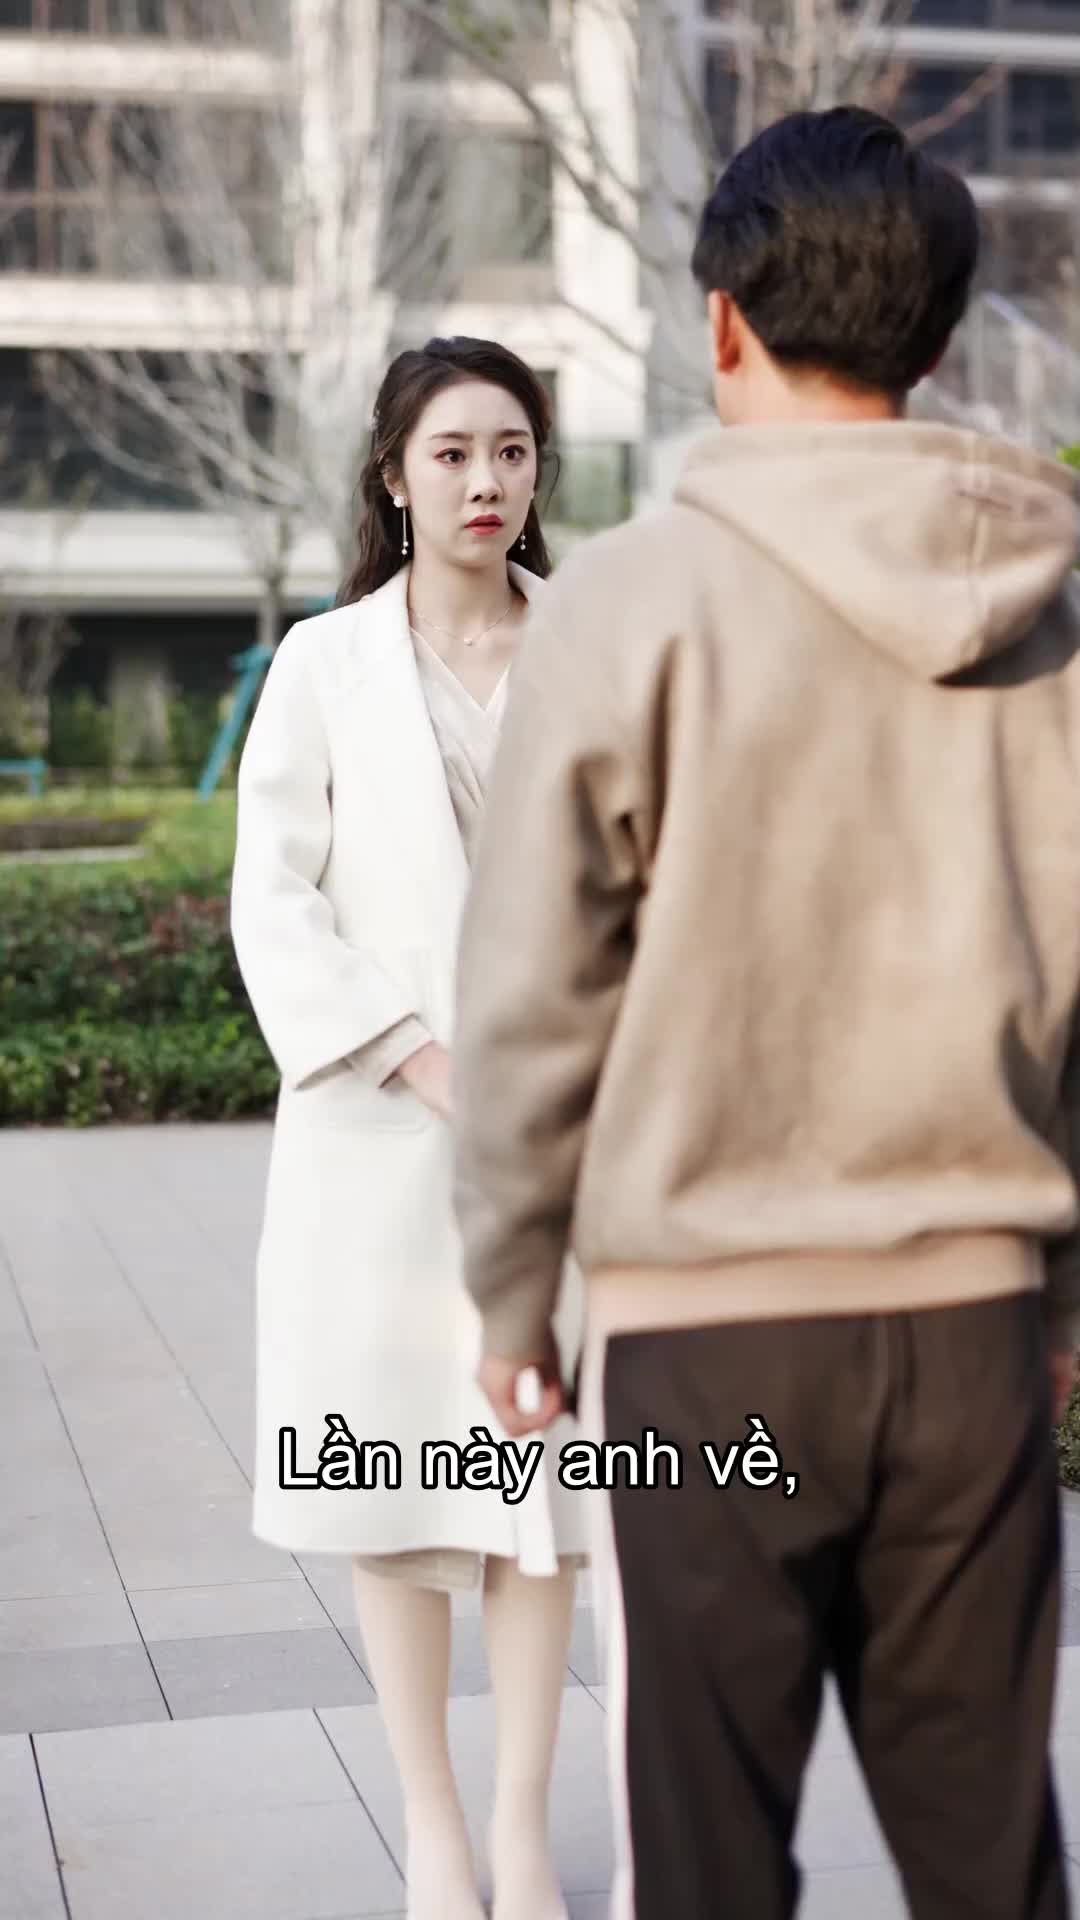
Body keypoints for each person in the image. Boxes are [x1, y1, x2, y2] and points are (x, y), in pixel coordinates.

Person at [450, 109, 1080, 1920]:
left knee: (710, 1859)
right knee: (993, 1861)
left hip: (706, 1336)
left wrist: (513, 1295)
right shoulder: (1052, 619)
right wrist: (1056, 1302)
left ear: (721, 320)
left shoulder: (629, 601)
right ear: (934, 337)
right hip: (972, 1326)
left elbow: (532, 993)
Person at [230, 335, 588, 1920]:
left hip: (564, 1145)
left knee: (540, 1499)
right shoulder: (324, 665)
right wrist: (421, 1059)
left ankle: (523, 1830)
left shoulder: (596, 648)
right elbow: (273, 901)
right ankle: (432, 1833)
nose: (485, 481)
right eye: (452, 453)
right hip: (380, 1148)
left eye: (511, 450)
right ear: (393, 475)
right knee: (395, 1491)